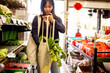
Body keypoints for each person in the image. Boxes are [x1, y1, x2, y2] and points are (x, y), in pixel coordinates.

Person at [31, 0, 65, 73]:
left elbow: (63, 30)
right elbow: (34, 32)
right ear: (42, 7)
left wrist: (53, 22)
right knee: (42, 71)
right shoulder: (37, 18)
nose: (47, 9)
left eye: (49, 7)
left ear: (53, 7)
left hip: (53, 51)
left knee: (55, 71)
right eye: (45, 6)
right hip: (41, 50)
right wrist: (39, 44)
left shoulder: (57, 19)